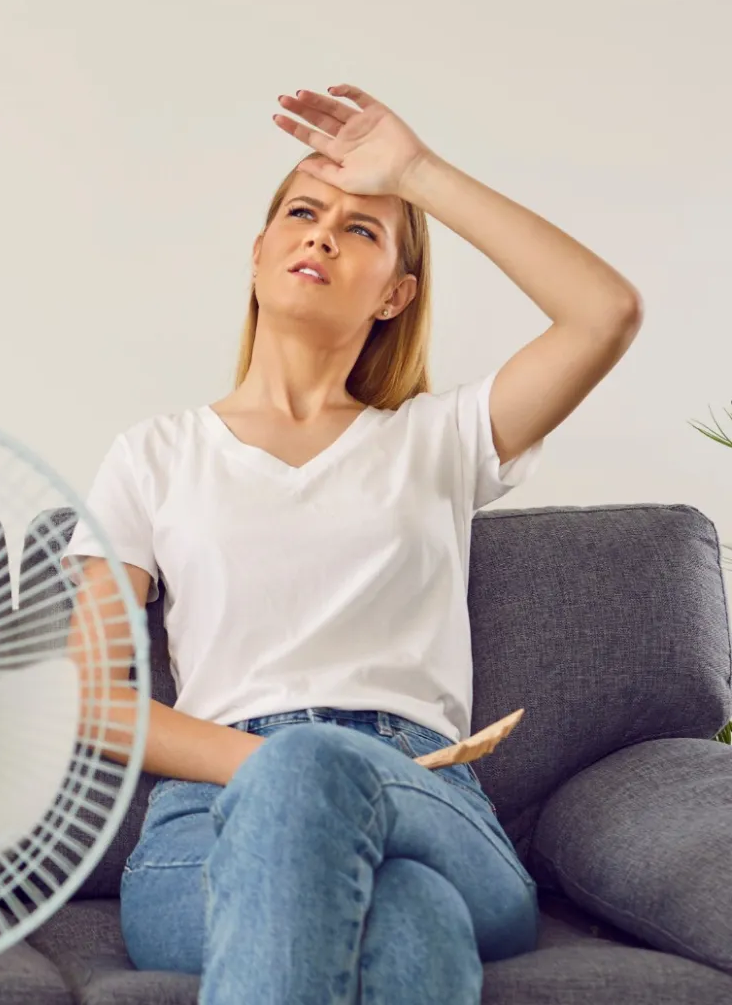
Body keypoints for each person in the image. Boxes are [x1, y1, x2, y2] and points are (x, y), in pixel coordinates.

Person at [66, 83, 642, 1003]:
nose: (324, 233)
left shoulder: (440, 440)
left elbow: (603, 311)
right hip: (207, 824)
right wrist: (290, 770)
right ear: (258, 253)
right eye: (302, 212)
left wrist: (416, 173)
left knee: (359, 823)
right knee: (409, 916)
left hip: (424, 799)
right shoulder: (151, 456)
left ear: (396, 294)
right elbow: (91, 701)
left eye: (363, 230)